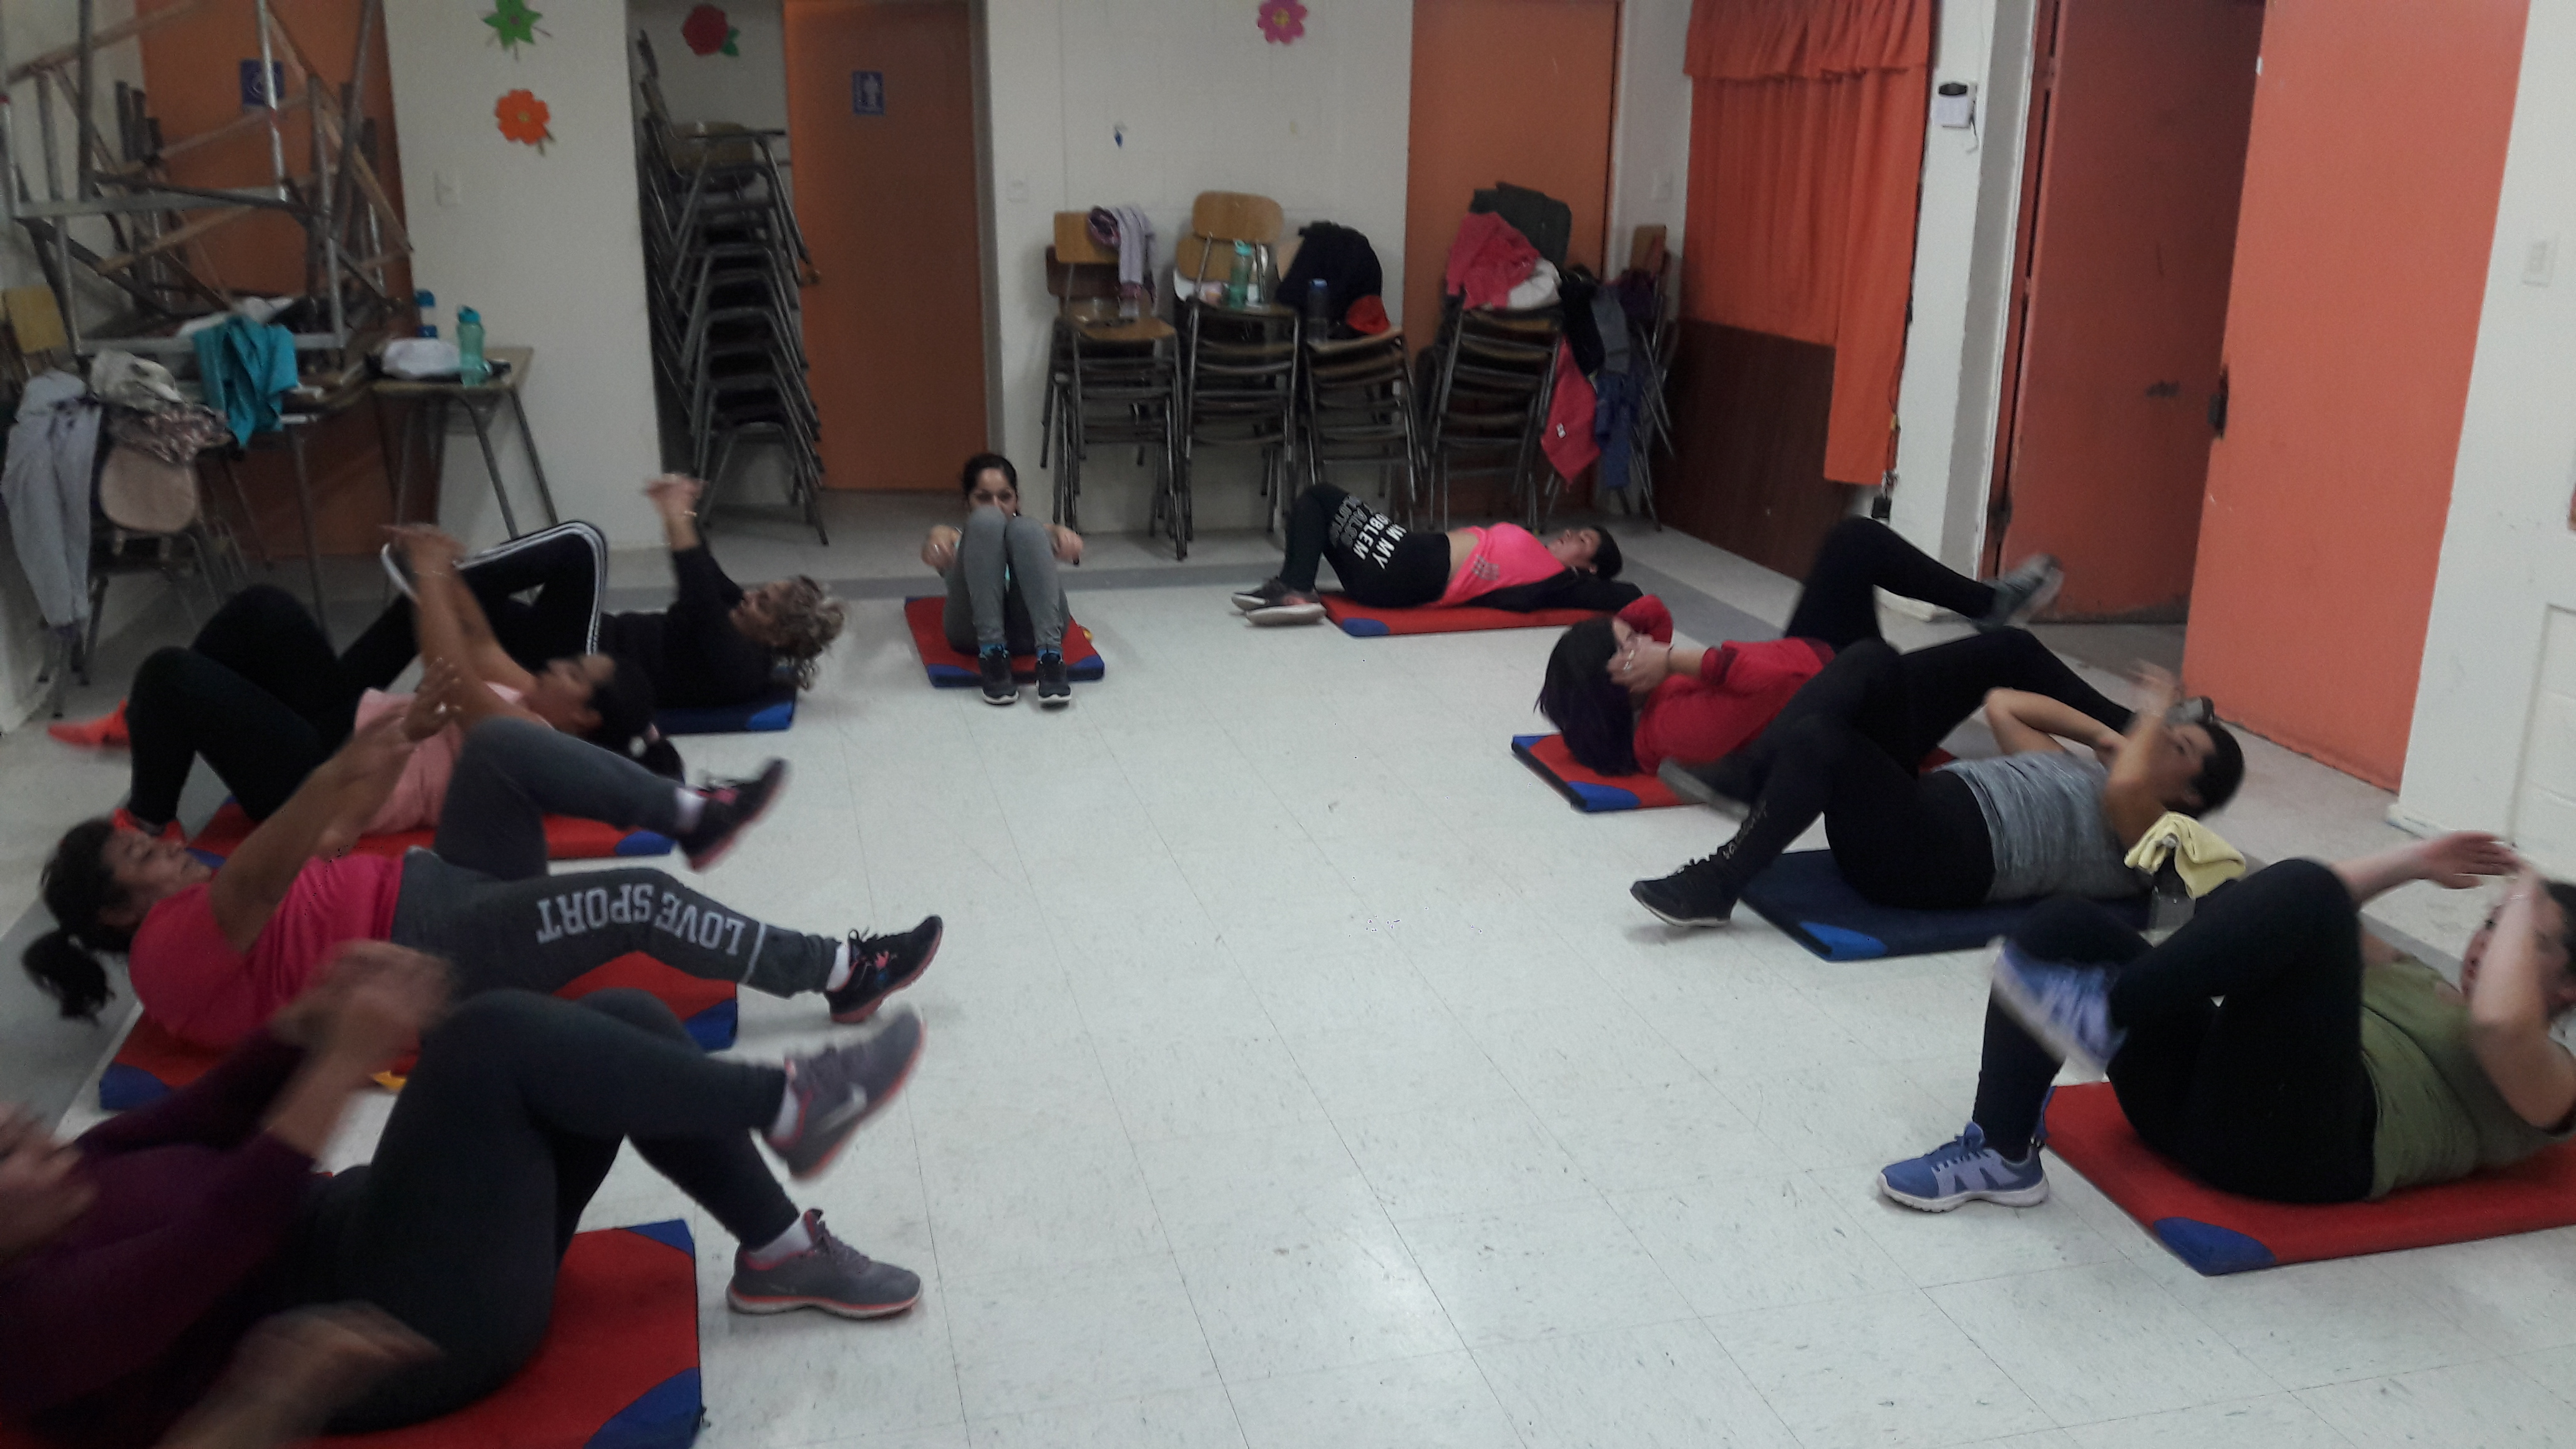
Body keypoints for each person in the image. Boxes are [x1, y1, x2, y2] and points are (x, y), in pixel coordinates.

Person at [0, 939, 930, 1447]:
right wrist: (346, 1059)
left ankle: (779, 1254)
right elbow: (222, 1230)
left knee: (624, 1019)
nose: (36, 1133)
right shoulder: (28, 1328)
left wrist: (304, 1021)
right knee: (490, 1042)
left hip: (384, 1235)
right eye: (8, 1151)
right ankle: (788, 1102)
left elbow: (206, 1115)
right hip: (388, 1332)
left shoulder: (73, 1176)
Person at [23, 711, 941, 1049]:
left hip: (445, 890)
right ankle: (839, 972)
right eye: (144, 857)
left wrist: (379, 762)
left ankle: (694, 816)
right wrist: (338, 773)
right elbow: (265, 875)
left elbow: (315, 853)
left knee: (498, 746)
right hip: (438, 958)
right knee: (641, 899)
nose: (169, 848)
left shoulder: (193, 908)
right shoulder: (165, 952)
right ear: (116, 912)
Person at [1877, 835, 2576, 1212]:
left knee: (2309, 897)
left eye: (2524, 940)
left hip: (2303, 1153)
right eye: (2489, 925)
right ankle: (2002, 1154)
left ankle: (2104, 1012)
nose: (2490, 944)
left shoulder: (2553, 1075)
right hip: (2207, 1105)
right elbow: (2315, 898)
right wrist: (2416, 861)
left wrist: (2527, 892)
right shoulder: (2419, 976)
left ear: (2569, 986)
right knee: (2069, 926)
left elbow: (2500, 1022)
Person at [112, 528, 673, 843]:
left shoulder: (534, 743)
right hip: (345, 727)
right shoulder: (533, 696)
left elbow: (454, 677)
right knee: (264, 609)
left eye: (574, 674)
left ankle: (146, 823)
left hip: (320, 784)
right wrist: (443, 570)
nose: (558, 666)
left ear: (586, 718)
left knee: (170, 673)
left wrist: (429, 577)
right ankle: (162, 730)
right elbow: (479, 643)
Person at [1630, 655, 2242, 928]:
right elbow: (2005, 705)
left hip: (1940, 860)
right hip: (1913, 813)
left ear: (2191, 796)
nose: (2159, 740)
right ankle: (1749, 776)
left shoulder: (2159, 838)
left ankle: (1718, 883)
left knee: (1823, 739)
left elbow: (2128, 787)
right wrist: (2106, 735)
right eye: (2167, 735)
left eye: (2178, 747)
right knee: (1871, 663)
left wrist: (2154, 713)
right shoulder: (2090, 774)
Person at [1539, 517, 2064, 776]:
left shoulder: (1649, 699)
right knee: (2008, 652)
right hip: (1859, 719)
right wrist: (1676, 658)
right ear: (1619, 686)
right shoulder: (1673, 729)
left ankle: (1985, 603)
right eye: (1632, 645)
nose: (1646, 640)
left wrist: (1629, 645)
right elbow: (1781, 683)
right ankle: (2112, 732)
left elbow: (1653, 612)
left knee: (1854, 540)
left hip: (1818, 669)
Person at [353, 476, 847, 711]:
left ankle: (449, 575)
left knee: (583, 543)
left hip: (586, 668)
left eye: (763, 603)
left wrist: (674, 516)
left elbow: (698, 590)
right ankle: (340, 703)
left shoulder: (740, 665)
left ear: (777, 637)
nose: (750, 596)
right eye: (762, 590)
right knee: (434, 608)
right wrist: (687, 509)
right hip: (572, 639)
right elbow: (708, 569)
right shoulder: (738, 618)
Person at [1230, 482, 1639, 624]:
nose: (1569, 534)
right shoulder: (1543, 567)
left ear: (1589, 568)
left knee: (1320, 497)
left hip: (1408, 566)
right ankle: (1293, 584)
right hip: (1401, 559)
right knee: (1316, 505)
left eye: (1583, 540)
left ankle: (1297, 589)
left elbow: (1625, 595)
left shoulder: (1558, 581)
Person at [922, 452, 1082, 707]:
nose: (996, 505)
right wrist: (935, 547)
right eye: (984, 497)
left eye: (1005, 497)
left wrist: (1063, 535)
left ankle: (1051, 658)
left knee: (1026, 527)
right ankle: (993, 655)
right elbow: (935, 539)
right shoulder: (954, 536)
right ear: (967, 501)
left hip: (1030, 632)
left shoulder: (1032, 535)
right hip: (972, 633)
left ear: (1016, 499)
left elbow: (1050, 532)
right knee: (987, 522)